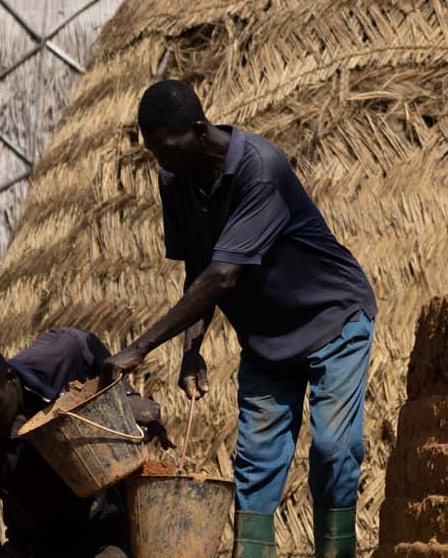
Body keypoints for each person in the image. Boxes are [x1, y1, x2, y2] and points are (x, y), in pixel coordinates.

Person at [100, 79, 378, 558]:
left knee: (334, 449)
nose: (160, 161)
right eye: (153, 152)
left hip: (332, 322)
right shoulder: (175, 179)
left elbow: (223, 276)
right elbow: (198, 269)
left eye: (167, 148)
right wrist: (191, 351)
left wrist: (141, 346)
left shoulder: (259, 169)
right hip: (268, 341)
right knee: (256, 466)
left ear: (198, 129)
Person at [0, 329, 166, 558]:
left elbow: (84, 345)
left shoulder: (55, 358)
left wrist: (125, 398)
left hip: (106, 524)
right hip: (42, 547)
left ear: (10, 378)